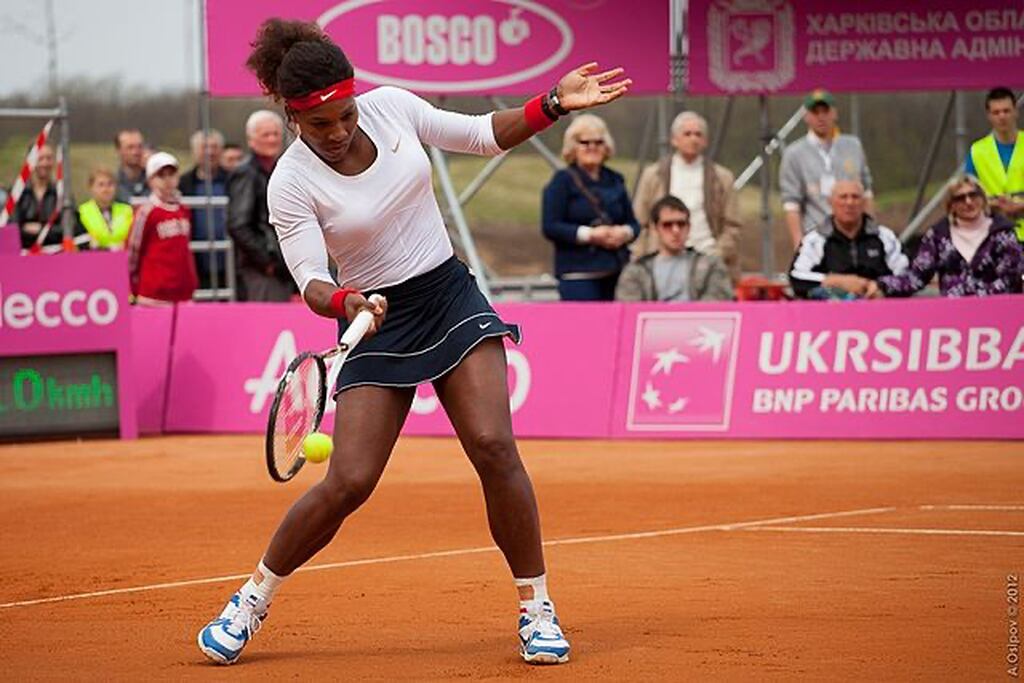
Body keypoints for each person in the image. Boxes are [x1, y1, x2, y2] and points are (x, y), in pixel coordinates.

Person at [197, 18, 629, 667]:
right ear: (292, 119)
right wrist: (347, 302)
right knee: (349, 481)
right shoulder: (289, 181)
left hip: (448, 295)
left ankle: (535, 606)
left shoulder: (391, 107)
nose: (339, 132)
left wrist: (556, 102)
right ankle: (252, 597)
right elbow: (311, 277)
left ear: (355, 97)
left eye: (345, 115)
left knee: (492, 443)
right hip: (373, 315)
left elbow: (482, 136)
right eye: (321, 126)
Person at [632, 111, 742, 280]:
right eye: (687, 134)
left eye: (698, 134)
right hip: (661, 262)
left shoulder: (722, 178)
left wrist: (717, 254)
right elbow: (640, 222)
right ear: (674, 140)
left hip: (708, 258)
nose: (693, 139)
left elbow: (733, 226)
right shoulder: (653, 175)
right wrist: (640, 260)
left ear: (705, 141)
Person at [540, 114, 639, 300]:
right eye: (585, 142)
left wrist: (623, 233)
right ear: (573, 147)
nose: (592, 147)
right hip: (578, 275)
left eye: (598, 142)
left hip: (617, 271)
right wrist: (591, 235)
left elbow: (634, 223)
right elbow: (550, 226)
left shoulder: (615, 179)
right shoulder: (562, 181)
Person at [872, 175, 1023, 297]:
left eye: (973, 195)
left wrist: (976, 299)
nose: (968, 202)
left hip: (999, 314)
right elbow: (916, 277)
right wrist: (879, 285)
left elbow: (1011, 279)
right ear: (950, 205)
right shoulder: (937, 236)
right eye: (960, 198)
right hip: (953, 316)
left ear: (982, 199)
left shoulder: (1003, 233)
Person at [780, 89, 874, 249]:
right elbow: (791, 203)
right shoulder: (794, 153)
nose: (821, 117)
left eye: (825, 111)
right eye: (815, 112)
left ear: (834, 113)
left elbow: (866, 192)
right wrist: (798, 243)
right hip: (816, 237)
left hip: (856, 236)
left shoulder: (853, 145)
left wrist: (872, 232)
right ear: (806, 116)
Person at [789, 179, 907, 299]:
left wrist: (879, 286)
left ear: (864, 202)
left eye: (855, 197)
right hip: (830, 312)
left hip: (881, 309)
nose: (849, 203)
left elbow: (907, 275)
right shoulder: (814, 239)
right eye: (843, 197)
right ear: (831, 202)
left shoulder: (885, 236)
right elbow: (796, 277)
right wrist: (836, 281)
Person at [227, 110, 295, 301]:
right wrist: (267, 261)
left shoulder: (279, 169)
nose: (272, 139)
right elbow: (238, 224)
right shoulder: (246, 173)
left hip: (281, 265)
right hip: (261, 270)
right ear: (251, 140)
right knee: (267, 324)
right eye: (266, 134)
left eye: (276, 134)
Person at [616, 195, 733, 302]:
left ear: (689, 227)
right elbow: (630, 311)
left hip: (697, 323)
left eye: (681, 224)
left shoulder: (711, 266)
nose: (676, 231)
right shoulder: (636, 271)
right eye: (667, 225)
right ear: (655, 228)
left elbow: (718, 304)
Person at [127, 152, 198, 304]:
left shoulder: (183, 209)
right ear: (151, 180)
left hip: (183, 292)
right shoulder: (147, 212)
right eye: (161, 176)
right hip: (154, 293)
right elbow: (133, 250)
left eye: (171, 174)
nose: (167, 180)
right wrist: (132, 286)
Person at [966, 87, 1024, 243]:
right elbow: (968, 196)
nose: (1002, 117)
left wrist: (1019, 206)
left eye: (1006, 111)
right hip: (992, 236)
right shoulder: (977, 151)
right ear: (989, 116)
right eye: (996, 112)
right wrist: (995, 206)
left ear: (1016, 112)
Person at [179, 129, 229, 289]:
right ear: (194, 151)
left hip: (230, 264)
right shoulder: (183, 183)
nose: (210, 152)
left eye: (214, 147)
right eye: (204, 147)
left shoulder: (233, 179)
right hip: (196, 263)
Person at [12, 144, 61, 250]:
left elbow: (68, 230)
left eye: (49, 158)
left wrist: (41, 229)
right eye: (40, 158)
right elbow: (11, 230)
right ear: (30, 161)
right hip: (22, 256)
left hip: (55, 255)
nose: (45, 163)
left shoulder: (61, 193)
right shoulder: (17, 193)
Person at [76, 167, 133, 250]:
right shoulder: (81, 212)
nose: (106, 189)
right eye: (101, 185)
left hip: (123, 257)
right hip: (93, 257)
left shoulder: (127, 211)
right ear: (91, 188)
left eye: (110, 184)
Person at [113, 129, 148, 203]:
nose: (136, 152)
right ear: (118, 150)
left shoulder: (156, 180)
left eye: (140, 146)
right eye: (130, 147)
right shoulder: (112, 184)